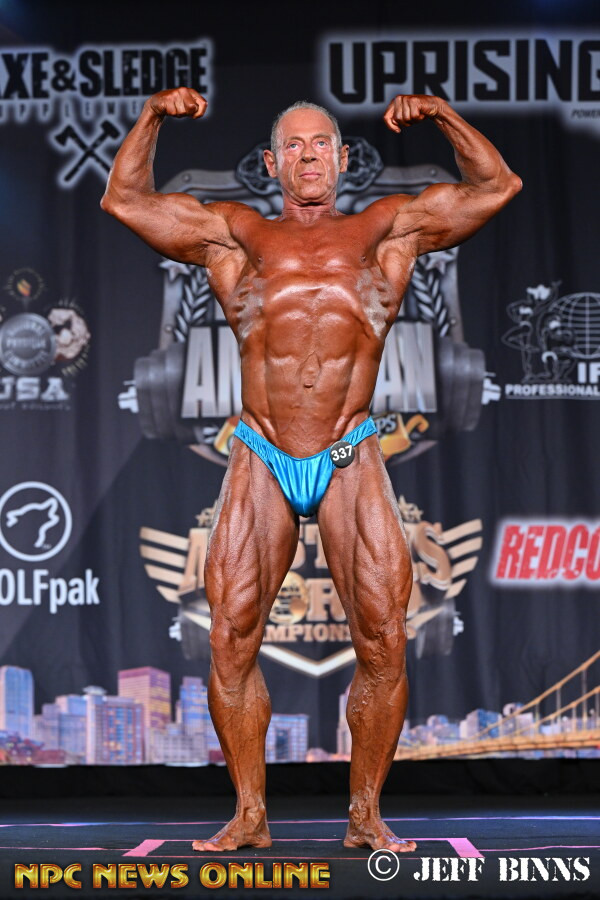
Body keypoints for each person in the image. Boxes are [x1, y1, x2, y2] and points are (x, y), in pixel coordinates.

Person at [101, 88, 521, 852]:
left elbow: (497, 186)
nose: (307, 156)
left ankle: (365, 814)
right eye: (291, 146)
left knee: (384, 639)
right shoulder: (237, 236)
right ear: (271, 163)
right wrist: (154, 117)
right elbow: (124, 200)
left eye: (319, 143)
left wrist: (441, 115)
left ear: (343, 157)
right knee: (230, 638)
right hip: (262, 449)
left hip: (348, 448)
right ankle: (250, 814)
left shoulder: (386, 229)